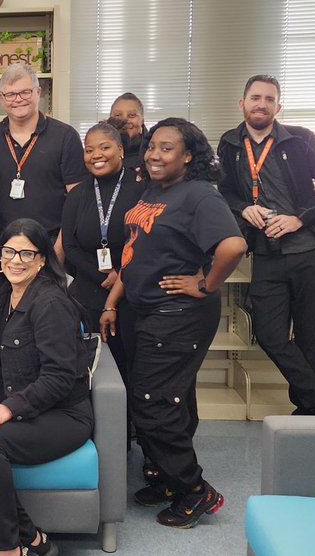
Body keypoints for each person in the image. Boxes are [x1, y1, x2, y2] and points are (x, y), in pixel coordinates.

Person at [100, 117, 246, 529]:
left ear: (188, 156)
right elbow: (136, 251)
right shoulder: (155, 190)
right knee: (161, 398)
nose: (154, 154)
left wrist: (205, 283)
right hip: (145, 310)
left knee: (153, 402)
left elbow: (233, 245)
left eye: (166, 148)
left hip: (178, 314)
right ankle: (167, 479)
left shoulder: (199, 195)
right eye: (151, 146)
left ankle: (195, 491)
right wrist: (113, 301)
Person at [0, 218, 93, 556]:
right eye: (9, 252)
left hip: (64, 414)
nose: (16, 260)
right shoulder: (3, 296)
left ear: (42, 259)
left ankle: (7, 549)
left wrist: (7, 408)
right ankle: (31, 538)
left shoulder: (50, 303)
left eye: (26, 253)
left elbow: (59, 378)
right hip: (29, 410)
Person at [217, 75, 315, 417]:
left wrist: (298, 218)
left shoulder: (301, 139)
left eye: (269, 99)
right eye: (255, 97)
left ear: (278, 107)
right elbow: (224, 191)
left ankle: (309, 412)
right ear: (242, 103)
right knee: (270, 334)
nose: (262, 104)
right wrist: (243, 207)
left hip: (311, 252)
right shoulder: (229, 143)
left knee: (310, 338)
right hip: (267, 253)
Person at [61, 119, 144, 394]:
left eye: (104, 147)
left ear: (121, 150)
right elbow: (70, 247)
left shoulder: (141, 188)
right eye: (89, 150)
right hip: (88, 292)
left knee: (132, 370)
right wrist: (102, 277)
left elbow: (146, 242)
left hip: (132, 293)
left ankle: (130, 420)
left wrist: (120, 274)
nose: (96, 155)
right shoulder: (77, 194)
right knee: (95, 371)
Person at [0, 64, 87, 263]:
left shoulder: (65, 136)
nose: (18, 99)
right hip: (2, 248)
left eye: (25, 92)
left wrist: (57, 253)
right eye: (10, 94)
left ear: (38, 92)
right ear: (2, 98)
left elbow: (77, 201)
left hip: (49, 245)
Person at [109, 93, 147, 180]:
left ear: (142, 120)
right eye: (118, 115)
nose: (124, 120)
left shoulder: (151, 154)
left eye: (132, 115)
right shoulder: (98, 152)